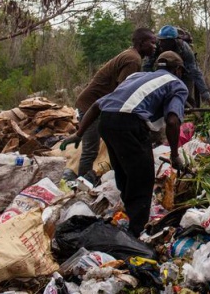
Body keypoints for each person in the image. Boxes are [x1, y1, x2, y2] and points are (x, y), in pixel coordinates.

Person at [61, 51, 188, 236]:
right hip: (130, 124)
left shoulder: (137, 76)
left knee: (125, 174)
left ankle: (127, 218)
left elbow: (97, 105)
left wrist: (79, 134)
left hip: (107, 121)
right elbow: (173, 121)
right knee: (142, 179)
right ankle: (136, 233)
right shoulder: (177, 84)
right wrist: (175, 155)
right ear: (178, 69)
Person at [72, 27, 157, 180]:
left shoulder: (131, 56)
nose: (155, 47)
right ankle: (81, 185)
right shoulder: (133, 59)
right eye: (152, 43)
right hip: (91, 104)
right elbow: (122, 91)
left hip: (99, 104)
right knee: (90, 150)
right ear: (142, 43)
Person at [144, 25, 210, 106]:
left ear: (173, 41)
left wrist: (206, 95)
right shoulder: (157, 46)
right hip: (162, 71)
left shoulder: (184, 48)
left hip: (184, 73)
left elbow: (195, 72)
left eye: (164, 41)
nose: (161, 43)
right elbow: (147, 66)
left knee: (184, 97)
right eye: (160, 40)